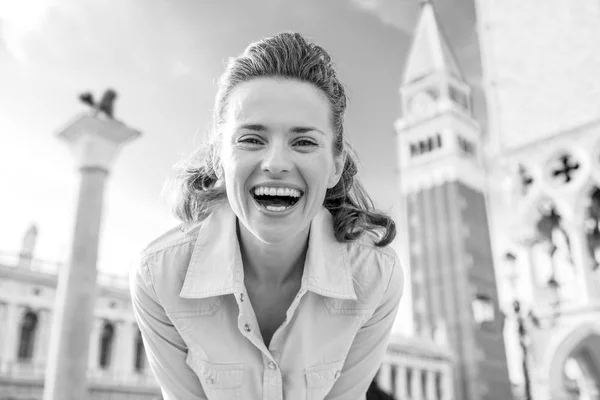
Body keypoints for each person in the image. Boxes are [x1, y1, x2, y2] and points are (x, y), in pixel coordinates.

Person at [130, 31, 404, 400]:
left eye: (303, 142)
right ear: (219, 160)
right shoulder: (158, 276)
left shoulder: (376, 278)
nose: (276, 163)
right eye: (251, 139)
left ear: (336, 166)